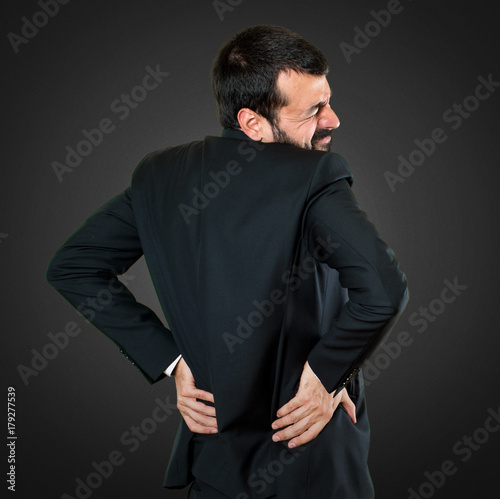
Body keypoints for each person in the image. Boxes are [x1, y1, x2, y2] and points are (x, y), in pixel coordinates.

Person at [46, 25, 409, 499]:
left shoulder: (158, 175)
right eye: (313, 110)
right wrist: (326, 374)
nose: (333, 119)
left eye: (328, 99)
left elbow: (72, 266)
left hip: (214, 464)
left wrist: (172, 361)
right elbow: (383, 291)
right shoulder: (316, 175)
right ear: (253, 123)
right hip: (311, 463)